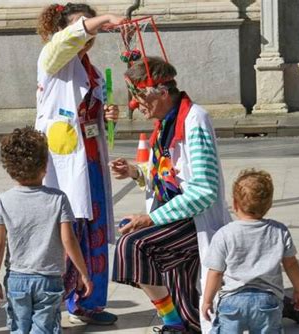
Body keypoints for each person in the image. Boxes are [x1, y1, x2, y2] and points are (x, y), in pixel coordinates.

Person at [109, 57, 232, 333]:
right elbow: (168, 172)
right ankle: (179, 323)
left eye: (140, 97)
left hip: (192, 220)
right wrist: (135, 171)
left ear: (163, 93)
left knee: (134, 245)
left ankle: (172, 322)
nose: (135, 105)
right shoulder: (166, 121)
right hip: (174, 216)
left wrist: (151, 219)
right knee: (191, 310)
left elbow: (204, 191)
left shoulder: (194, 120)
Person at [35, 3, 125, 325]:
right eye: (82, 26)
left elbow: (87, 109)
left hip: (89, 161)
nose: (88, 34)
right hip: (64, 163)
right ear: (63, 29)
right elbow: (66, 41)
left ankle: (88, 303)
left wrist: (106, 113)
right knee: (65, 231)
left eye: (91, 29)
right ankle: (54, 302)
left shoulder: (91, 68)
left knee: (95, 231)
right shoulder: (52, 57)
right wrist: (101, 20)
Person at [0, 127, 93, 333]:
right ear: (45, 165)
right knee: (45, 329)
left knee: (18, 328)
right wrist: (84, 273)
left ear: (9, 168)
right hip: (49, 278)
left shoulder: (3, 200)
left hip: (16, 278)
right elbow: (69, 240)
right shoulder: (58, 198)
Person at [201, 169, 299, 334]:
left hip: (232, 301)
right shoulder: (279, 230)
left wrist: (207, 300)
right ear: (269, 205)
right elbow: (291, 264)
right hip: (268, 301)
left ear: (235, 204)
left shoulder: (224, 234)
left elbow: (215, 272)